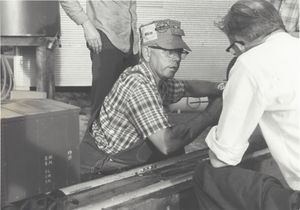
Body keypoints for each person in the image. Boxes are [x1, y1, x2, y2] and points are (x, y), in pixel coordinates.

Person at [79, 19, 225, 181]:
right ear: (147, 52)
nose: (176, 59)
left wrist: (221, 87)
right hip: (99, 167)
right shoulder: (138, 84)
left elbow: (188, 87)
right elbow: (167, 143)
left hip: (119, 155)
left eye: (178, 52)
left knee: (176, 148)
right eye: (168, 52)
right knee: (174, 143)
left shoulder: (157, 79)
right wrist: (210, 115)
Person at [192, 0, 300, 209]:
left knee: (207, 175)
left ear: (240, 44)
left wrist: (214, 121)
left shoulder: (250, 63)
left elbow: (222, 159)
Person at [60, 0, 139, 116]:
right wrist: (86, 25)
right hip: (106, 37)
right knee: (102, 105)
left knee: (130, 105)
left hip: (131, 42)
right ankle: (93, 134)